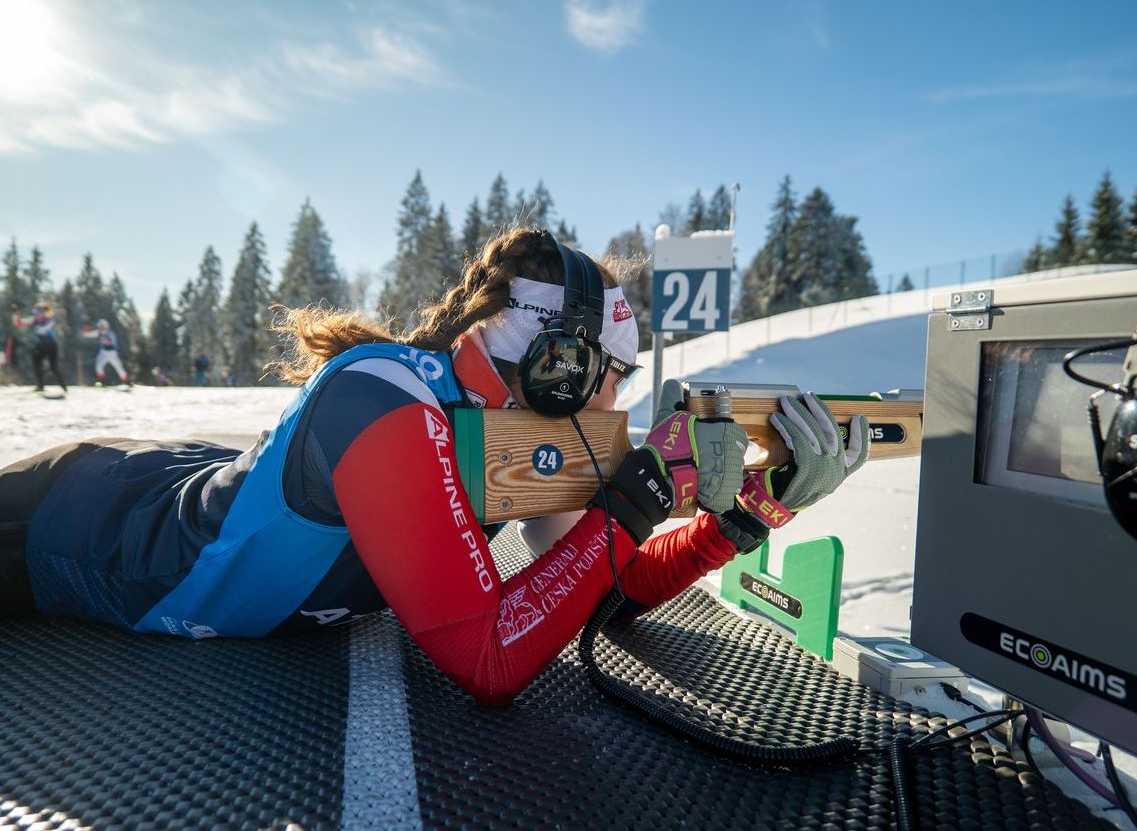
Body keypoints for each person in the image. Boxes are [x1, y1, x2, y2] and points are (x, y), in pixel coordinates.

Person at [0, 228, 868, 706]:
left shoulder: (509, 430)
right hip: (83, 523)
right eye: (614, 376)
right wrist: (635, 498)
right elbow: (488, 658)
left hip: (179, 485)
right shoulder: (383, 400)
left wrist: (741, 518)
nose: (616, 404)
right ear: (558, 363)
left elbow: (606, 590)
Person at [10, 302, 67, 394]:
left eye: (39, 312)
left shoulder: (49, 321)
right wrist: (15, 314)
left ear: (45, 313)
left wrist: (34, 322)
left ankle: (63, 386)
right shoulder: (35, 320)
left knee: (53, 367)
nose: (37, 314)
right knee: (36, 365)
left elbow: (43, 329)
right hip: (40, 346)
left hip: (51, 346)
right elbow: (19, 323)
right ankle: (40, 386)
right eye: (35, 312)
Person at [81, 319, 132, 387]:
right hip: (103, 352)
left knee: (119, 368)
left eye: (101, 326)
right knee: (99, 366)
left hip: (112, 353)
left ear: (106, 326)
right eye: (99, 326)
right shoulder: (99, 332)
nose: (100, 328)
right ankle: (101, 381)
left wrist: (102, 338)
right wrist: (85, 329)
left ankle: (127, 381)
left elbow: (110, 342)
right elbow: (86, 335)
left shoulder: (110, 333)